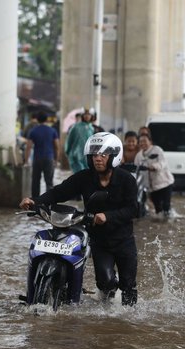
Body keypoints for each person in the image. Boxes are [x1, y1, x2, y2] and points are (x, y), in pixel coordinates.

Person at [20, 132, 138, 306]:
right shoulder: (84, 177)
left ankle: (127, 320)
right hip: (99, 240)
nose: (98, 158)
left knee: (128, 286)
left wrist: (108, 216)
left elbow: (133, 209)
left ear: (114, 156)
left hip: (123, 239)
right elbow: (59, 192)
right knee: (105, 281)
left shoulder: (127, 180)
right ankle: (107, 304)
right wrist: (35, 201)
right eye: (94, 155)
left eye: (103, 155)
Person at [135, 133, 174, 218]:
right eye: (140, 141)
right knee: (158, 209)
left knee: (166, 206)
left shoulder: (157, 150)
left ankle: (168, 220)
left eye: (145, 141)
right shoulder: (138, 156)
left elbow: (163, 162)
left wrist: (153, 167)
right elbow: (136, 170)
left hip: (165, 183)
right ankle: (160, 223)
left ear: (150, 142)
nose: (142, 143)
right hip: (152, 187)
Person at [25, 111, 59, 197]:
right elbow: (57, 147)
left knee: (35, 182)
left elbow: (28, 147)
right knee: (49, 183)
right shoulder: (52, 131)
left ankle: (35, 204)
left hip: (37, 159)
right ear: (47, 119)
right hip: (49, 158)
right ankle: (49, 204)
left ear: (37, 119)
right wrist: (56, 160)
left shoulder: (33, 131)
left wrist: (26, 161)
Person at [64, 107, 95, 173]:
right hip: (76, 156)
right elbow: (69, 140)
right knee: (78, 176)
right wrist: (68, 152)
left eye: (89, 114)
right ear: (82, 115)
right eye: (85, 114)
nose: (87, 116)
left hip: (88, 157)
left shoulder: (91, 128)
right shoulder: (75, 127)